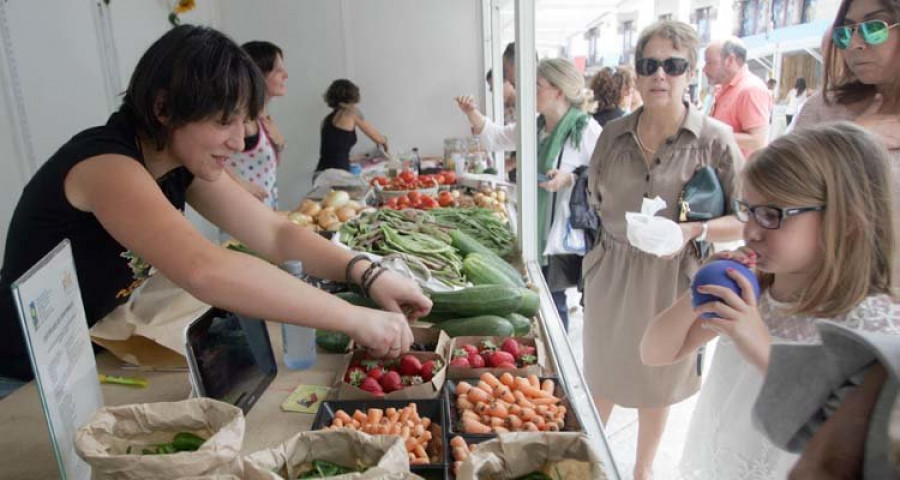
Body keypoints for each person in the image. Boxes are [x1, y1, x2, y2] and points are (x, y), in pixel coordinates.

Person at [0, 25, 429, 389]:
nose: (239, 140)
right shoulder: (106, 165)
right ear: (164, 108)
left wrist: (367, 272)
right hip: (20, 372)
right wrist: (354, 319)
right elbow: (204, 268)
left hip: (80, 353)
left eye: (245, 121)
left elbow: (275, 233)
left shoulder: (176, 163)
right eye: (224, 121)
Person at [641, 122, 898, 479]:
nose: (750, 231)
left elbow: (846, 440)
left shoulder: (869, 325)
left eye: (773, 214)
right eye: (749, 209)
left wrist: (759, 343)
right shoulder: (757, 289)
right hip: (721, 459)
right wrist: (694, 294)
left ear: (846, 220)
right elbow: (655, 353)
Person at [583, 21, 745, 480]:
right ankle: (586, 458)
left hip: (674, 277)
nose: (660, 75)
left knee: (658, 380)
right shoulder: (612, 136)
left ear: (690, 72)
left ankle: (643, 469)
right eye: (649, 64)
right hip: (612, 269)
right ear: (635, 73)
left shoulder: (714, 139)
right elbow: (596, 200)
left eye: (673, 66)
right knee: (603, 372)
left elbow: (747, 219)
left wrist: (693, 231)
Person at [454, 58, 602, 332]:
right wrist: (471, 112)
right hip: (533, 228)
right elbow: (497, 137)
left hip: (558, 236)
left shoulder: (584, 129)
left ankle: (556, 357)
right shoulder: (536, 127)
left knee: (553, 301)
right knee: (537, 298)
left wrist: (569, 178)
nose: (529, 92)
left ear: (559, 91)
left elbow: (607, 174)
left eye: (537, 85)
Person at [792, 0, 900, 284]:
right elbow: (777, 194)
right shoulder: (825, 108)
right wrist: (851, 138)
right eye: (846, 31)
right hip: (826, 291)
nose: (854, 44)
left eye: (874, 28)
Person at [224, 41, 287, 210]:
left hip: (266, 211)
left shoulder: (263, 119)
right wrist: (238, 183)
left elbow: (269, 165)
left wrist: (279, 145)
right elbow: (211, 157)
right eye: (278, 70)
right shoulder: (243, 120)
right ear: (259, 74)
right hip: (243, 217)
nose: (285, 75)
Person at [704, 37, 771, 158]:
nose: (704, 69)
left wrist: (711, 136)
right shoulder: (723, 88)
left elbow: (757, 141)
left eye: (709, 62)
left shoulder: (751, 89)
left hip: (738, 174)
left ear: (730, 60)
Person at [316, 79, 389, 175]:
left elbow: (332, 152)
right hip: (336, 175)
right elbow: (378, 139)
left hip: (321, 173)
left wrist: (358, 158)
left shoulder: (326, 120)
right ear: (352, 95)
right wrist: (385, 140)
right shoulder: (351, 112)